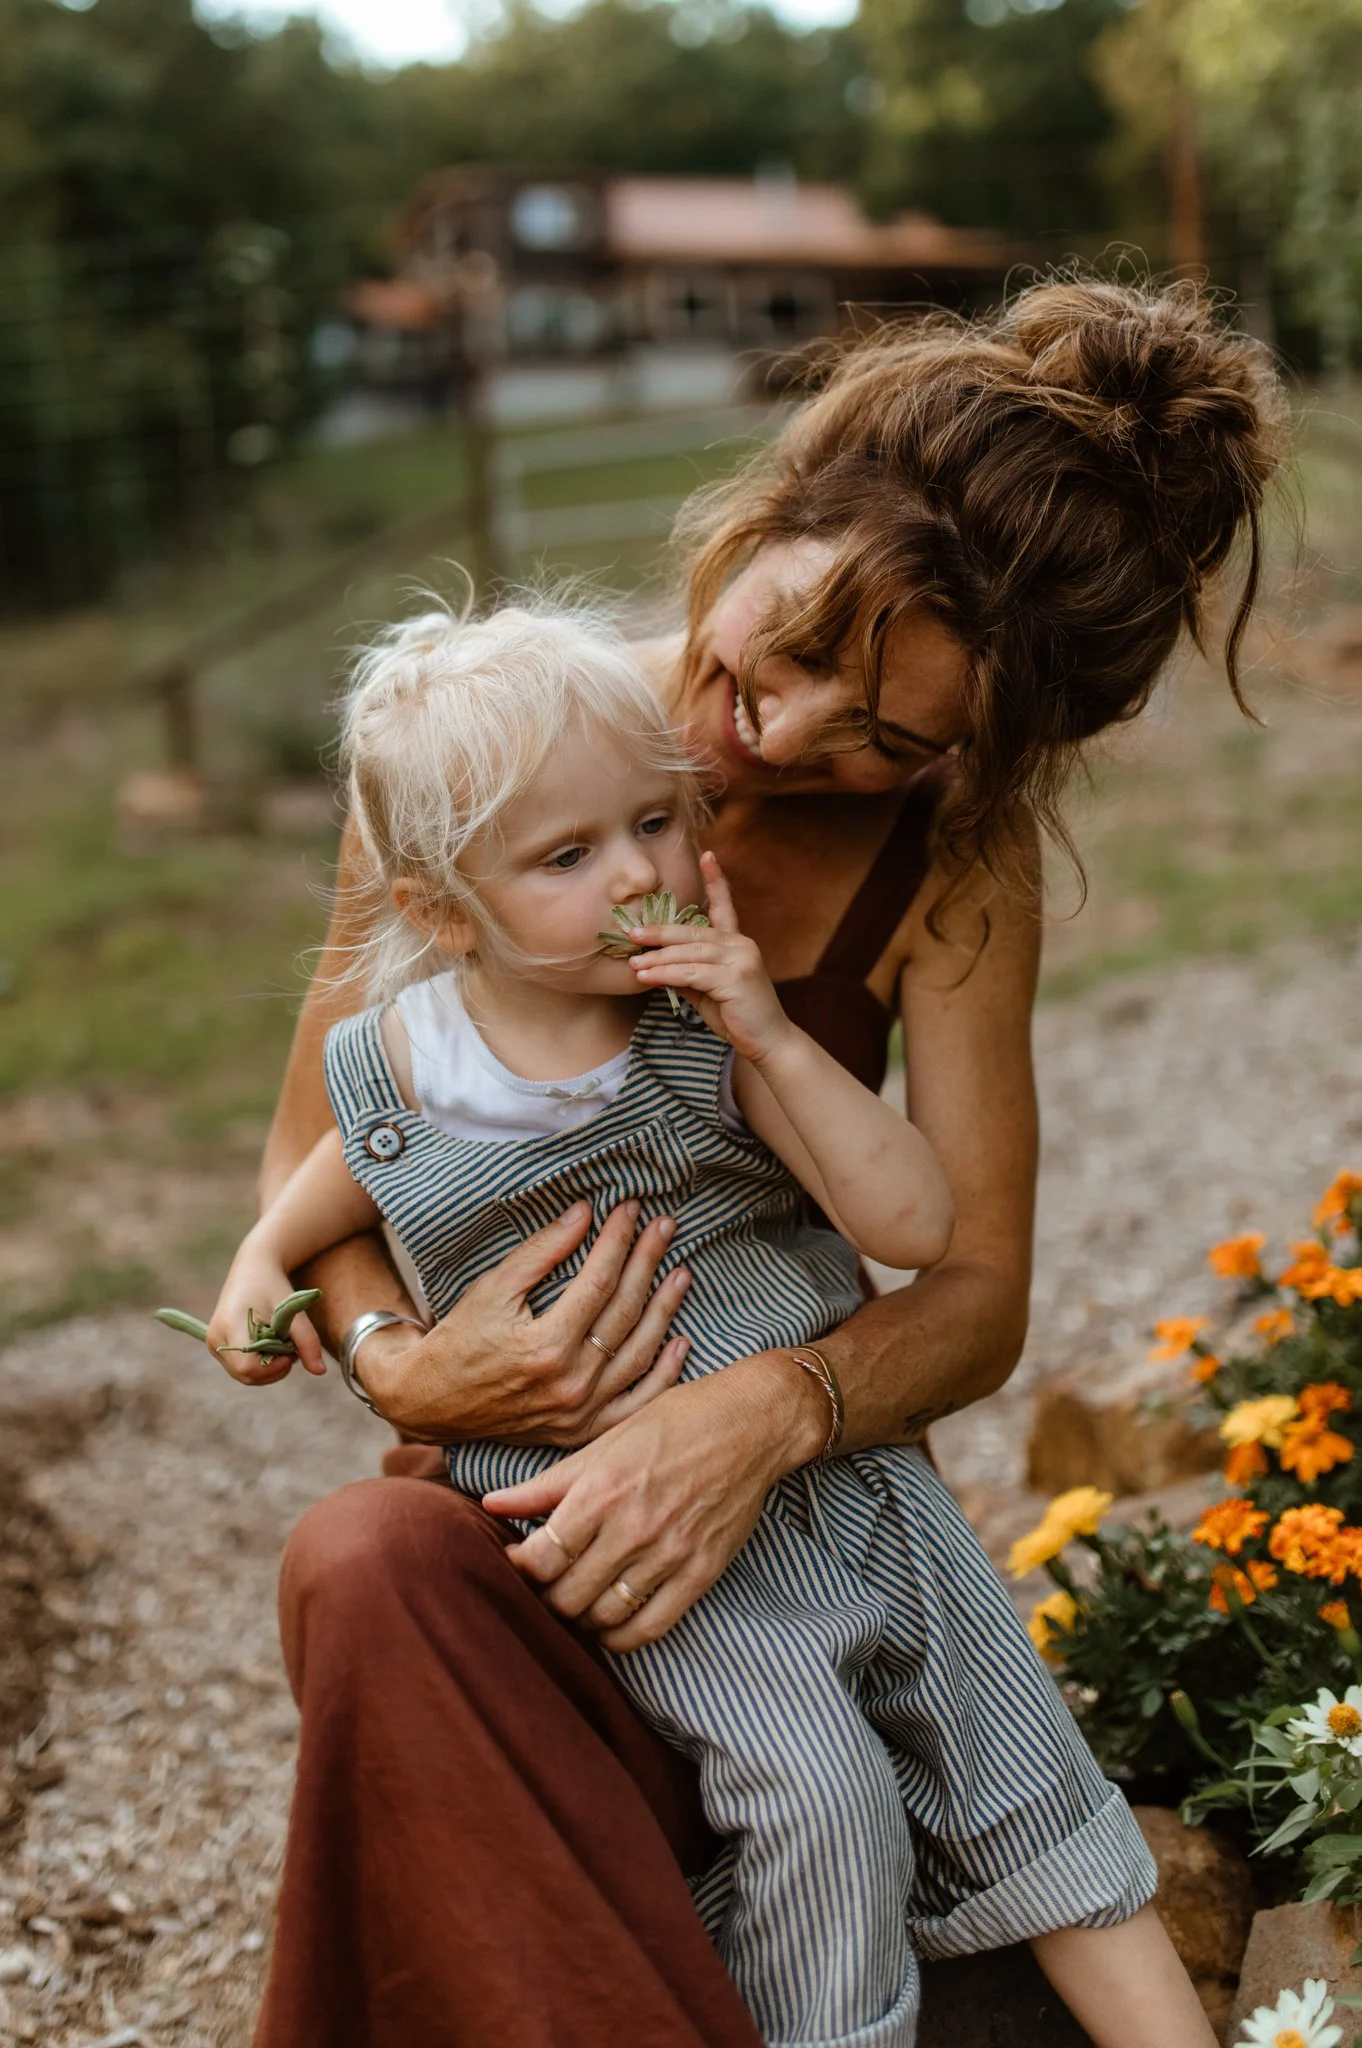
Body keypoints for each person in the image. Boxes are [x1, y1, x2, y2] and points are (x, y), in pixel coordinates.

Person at [245, 278, 1286, 2048]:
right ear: (769, 513)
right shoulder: (483, 757)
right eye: (789, 647)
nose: (783, 735)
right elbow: (302, 1184)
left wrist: (758, 1421)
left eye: (888, 733)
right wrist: (406, 1361)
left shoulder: (952, 869)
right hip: (546, 1527)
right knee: (358, 1566)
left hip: (786, 1541)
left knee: (818, 1812)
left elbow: (973, 1295)